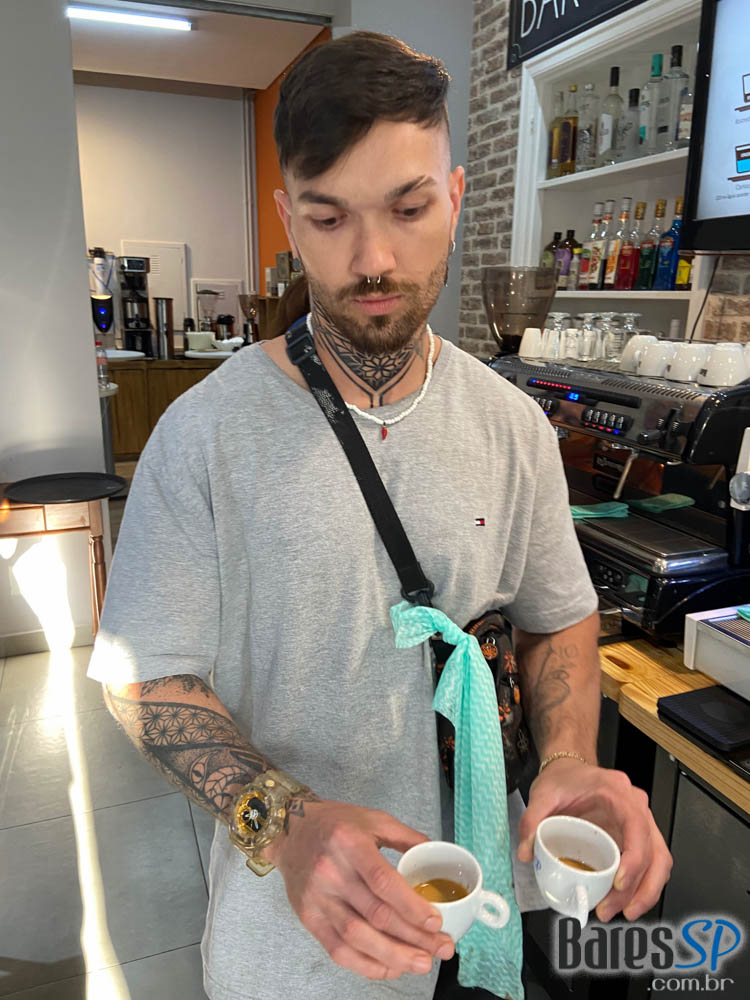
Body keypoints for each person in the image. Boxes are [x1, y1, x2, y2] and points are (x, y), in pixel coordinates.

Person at [88, 31, 673, 1000]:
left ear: (453, 197)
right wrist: (285, 820)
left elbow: (559, 616)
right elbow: (144, 678)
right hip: (295, 954)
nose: (373, 258)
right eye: (329, 218)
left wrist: (570, 759)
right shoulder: (203, 436)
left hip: (488, 918)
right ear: (289, 218)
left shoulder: (514, 428)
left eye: (408, 208)